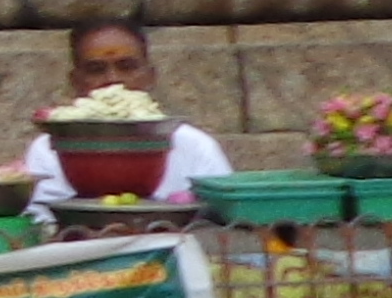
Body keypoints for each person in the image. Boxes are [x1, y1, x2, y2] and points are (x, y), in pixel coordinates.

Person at [16, 18, 235, 211]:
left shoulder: (194, 145)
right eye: (96, 70)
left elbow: (223, 214)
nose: (113, 79)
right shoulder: (47, 149)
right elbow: (43, 219)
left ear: (150, 76)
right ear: (75, 81)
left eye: (127, 67)